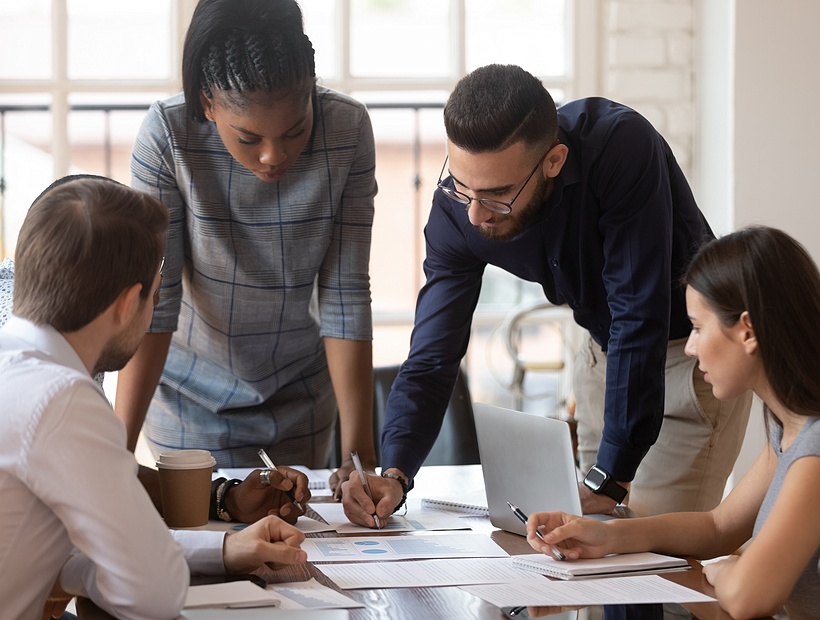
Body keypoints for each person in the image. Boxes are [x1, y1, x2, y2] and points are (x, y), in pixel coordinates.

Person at [342, 63, 752, 526]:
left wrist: (610, 477)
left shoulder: (620, 147)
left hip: (693, 362)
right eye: (462, 185)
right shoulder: (458, 210)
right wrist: (395, 472)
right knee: (592, 559)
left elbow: (638, 314)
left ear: (553, 161)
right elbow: (432, 355)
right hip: (603, 357)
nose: (475, 215)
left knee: (657, 558)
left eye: (498, 195)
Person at [0, 176, 309, 620]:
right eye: (156, 293)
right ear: (128, 304)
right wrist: (85, 571)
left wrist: (222, 548)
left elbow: (62, 544)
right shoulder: (61, 397)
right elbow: (153, 594)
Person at [116, 0, 378, 490]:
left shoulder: (347, 130)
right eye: (248, 136)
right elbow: (158, 299)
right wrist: (116, 453)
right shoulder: (167, 135)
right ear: (206, 102)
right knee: (207, 541)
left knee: (300, 549)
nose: (273, 155)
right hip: (189, 398)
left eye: (296, 130)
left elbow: (345, 293)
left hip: (302, 394)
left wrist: (359, 461)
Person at [525, 226, 820, 620]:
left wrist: (730, 569)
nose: (692, 347)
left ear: (748, 330)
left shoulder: (814, 445)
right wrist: (605, 537)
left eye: (697, 327)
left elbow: (750, 596)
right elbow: (719, 528)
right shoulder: (789, 427)